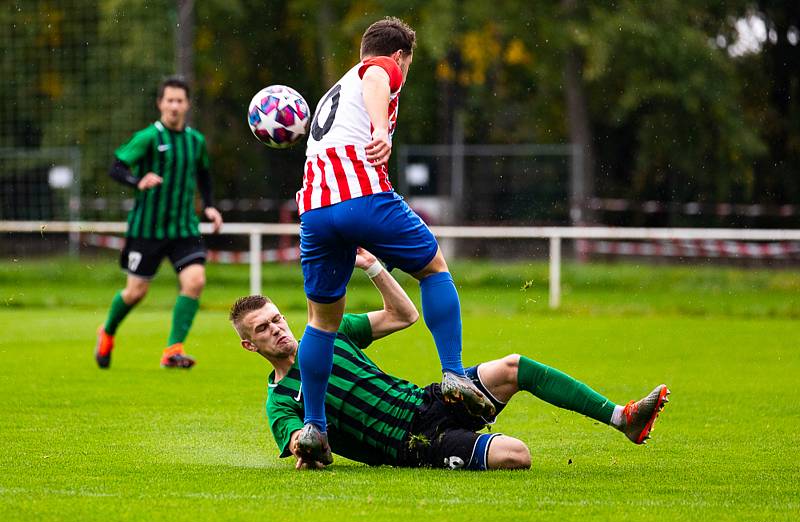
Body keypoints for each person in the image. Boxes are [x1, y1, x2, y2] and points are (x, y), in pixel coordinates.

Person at [229, 249, 670, 470]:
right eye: (263, 329)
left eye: (277, 318)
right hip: (411, 446)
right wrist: (309, 447)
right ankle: (470, 442)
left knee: (514, 365)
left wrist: (372, 266)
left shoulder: (328, 334)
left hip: (428, 401)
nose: (277, 329)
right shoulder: (280, 401)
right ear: (251, 346)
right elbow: (301, 445)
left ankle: (622, 418)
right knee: (519, 456)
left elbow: (404, 315)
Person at [294, 16, 492, 465]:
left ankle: (314, 426)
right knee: (434, 268)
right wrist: (381, 130)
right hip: (362, 194)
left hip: (315, 209)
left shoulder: (333, 91)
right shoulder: (381, 67)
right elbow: (379, 78)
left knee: (322, 322)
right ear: (399, 54)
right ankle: (455, 374)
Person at [94, 76, 223, 370]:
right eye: (170, 100)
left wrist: (211, 206)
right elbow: (116, 167)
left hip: (183, 228)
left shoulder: (195, 141)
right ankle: (108, 331)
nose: (175, 106)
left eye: (180, 100)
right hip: (146, 229)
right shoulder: (148, 137)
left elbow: (204, 175)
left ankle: (173, 350)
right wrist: (137, 180)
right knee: (136, 292)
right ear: (160, 104)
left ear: (187, 105)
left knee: (195, 281)